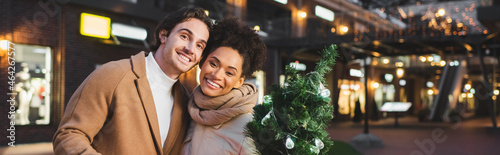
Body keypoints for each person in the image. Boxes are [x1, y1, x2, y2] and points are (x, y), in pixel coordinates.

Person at [53, 7, 212, 155]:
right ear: (164, 35)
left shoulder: (185, 102)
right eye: (184, 36)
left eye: (199, 46)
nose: (190, 49)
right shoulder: (113, 74)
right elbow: (68, 136)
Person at [181, 18, 267, 155]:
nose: (217, 75)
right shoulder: (188, 108)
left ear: (239, 81)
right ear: (202, 62)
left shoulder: (247, 128)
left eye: (229, 73)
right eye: (213, 64)